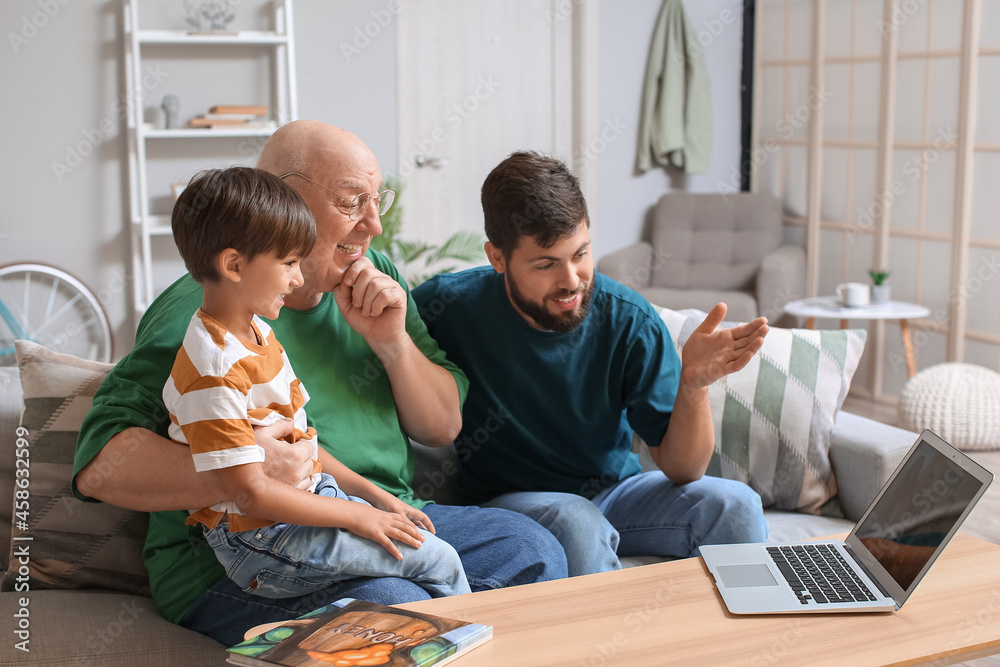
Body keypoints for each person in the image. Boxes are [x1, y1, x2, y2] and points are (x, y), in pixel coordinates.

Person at [73, 124, 567, 647]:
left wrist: (393, 344)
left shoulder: (371, 275)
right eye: (353, 202)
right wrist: (249, 466)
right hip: (238, 557)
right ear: (278, 202)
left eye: (377, 202)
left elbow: (441, 427)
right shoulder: (201, 322)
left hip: (365, 513)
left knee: (532, 547)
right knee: (394, 607)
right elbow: (101, 468)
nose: (373, 225)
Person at [412, 151, 770, 576]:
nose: (571, 281)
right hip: (513, 503)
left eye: (580, 254)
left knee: (736, 506)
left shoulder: (629, 319)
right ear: (498, 258)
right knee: (575, 519)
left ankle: (732, 641)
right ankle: (618, 645)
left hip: (618, 492)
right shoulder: (446, 306)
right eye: (546, 264)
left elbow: (684, 468)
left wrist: (694, 386)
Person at [164, 166, 469, 601]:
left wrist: (372, 497)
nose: (297, 278)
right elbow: (248, 493)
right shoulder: (213, 370)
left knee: (430, 556)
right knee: (436, 562)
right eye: (288, 263)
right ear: (234, 265)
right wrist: (356, 517)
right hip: (258, 538)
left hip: (308, 498)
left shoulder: (257, 333)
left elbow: (299, 441)